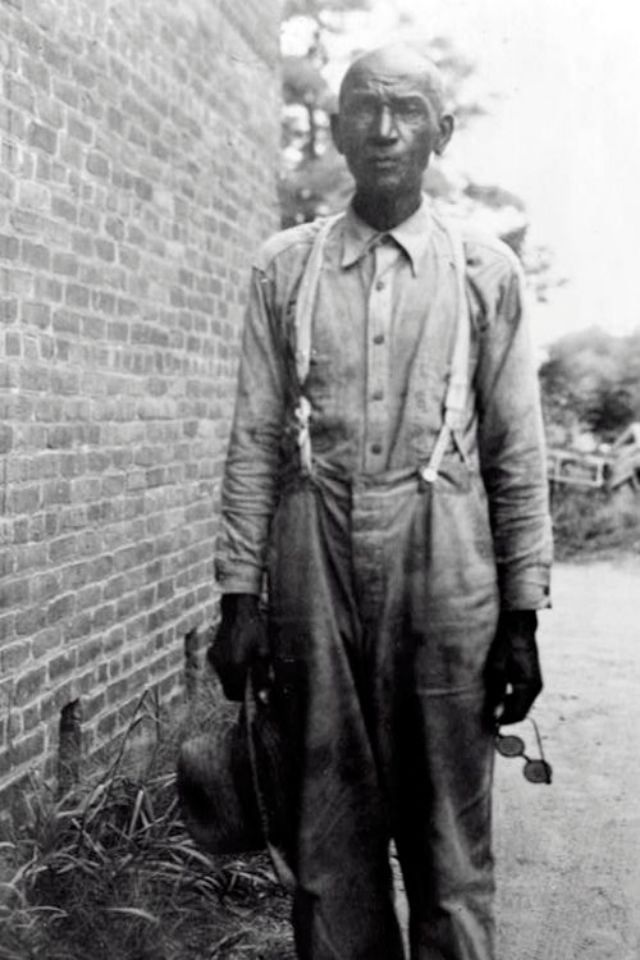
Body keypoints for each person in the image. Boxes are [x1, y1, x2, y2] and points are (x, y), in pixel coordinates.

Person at [211, 42, 552, 960]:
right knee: (326, 847)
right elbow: (254, 439)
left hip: (446, 573)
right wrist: (238, 599)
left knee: (449, 850)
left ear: (443, 131)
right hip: (311, 568)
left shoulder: (485, 273)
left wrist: (522, 616)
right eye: (366, 107)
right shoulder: (284, 270)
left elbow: (518, 454)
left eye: (408, 111)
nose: (386, 129)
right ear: (338, 127)